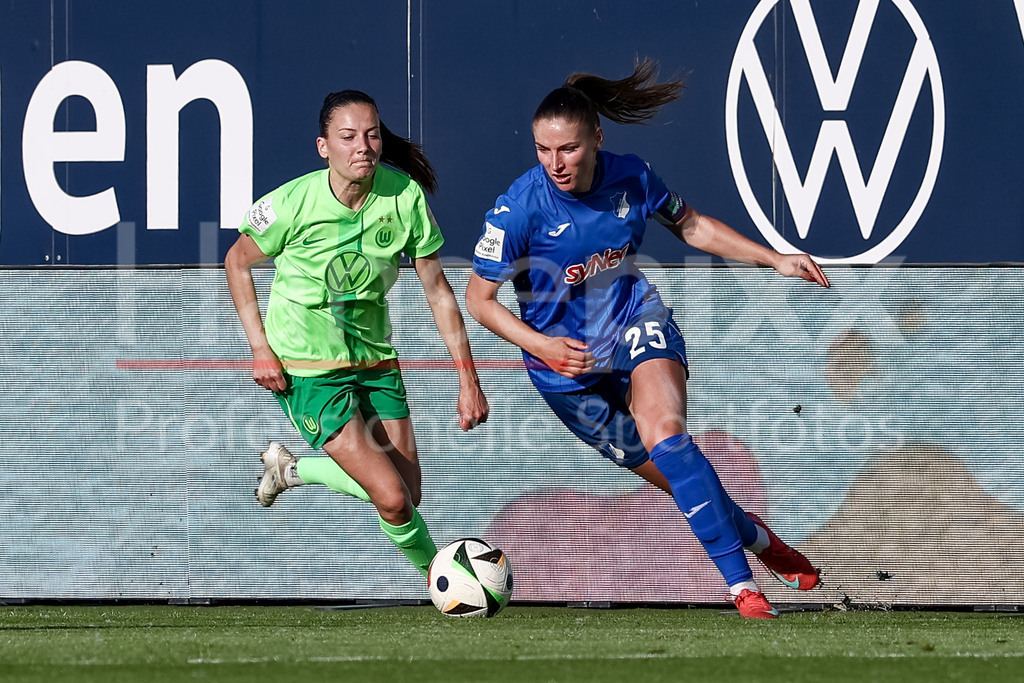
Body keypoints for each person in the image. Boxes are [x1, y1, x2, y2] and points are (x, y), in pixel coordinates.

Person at [464, 59, 830, 618]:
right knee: (678, 480)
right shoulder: (520, 209)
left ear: (597, 140)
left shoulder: (632, 176)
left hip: (634, 320)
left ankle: (741, 588)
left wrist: (773, 258)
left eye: (569, 149)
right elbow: (478, 301)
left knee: (668, 439)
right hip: (564, 374)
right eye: (543, 150)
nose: (556, 163)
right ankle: (761, 543)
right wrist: (542, 346)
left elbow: (692, 225)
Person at [225, 89, 488, 578]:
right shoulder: (290, 203)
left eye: (370, 135)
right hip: (306, 368)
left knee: (409, 495)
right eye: (347, 137)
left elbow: (438, 291)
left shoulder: (404, 197)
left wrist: (467, 378)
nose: (362, 146)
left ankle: (291, 470)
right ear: (324, 146)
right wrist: (260, 349)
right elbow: (236, 261)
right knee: (390, 498)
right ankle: (447, 582)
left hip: (375, 359)